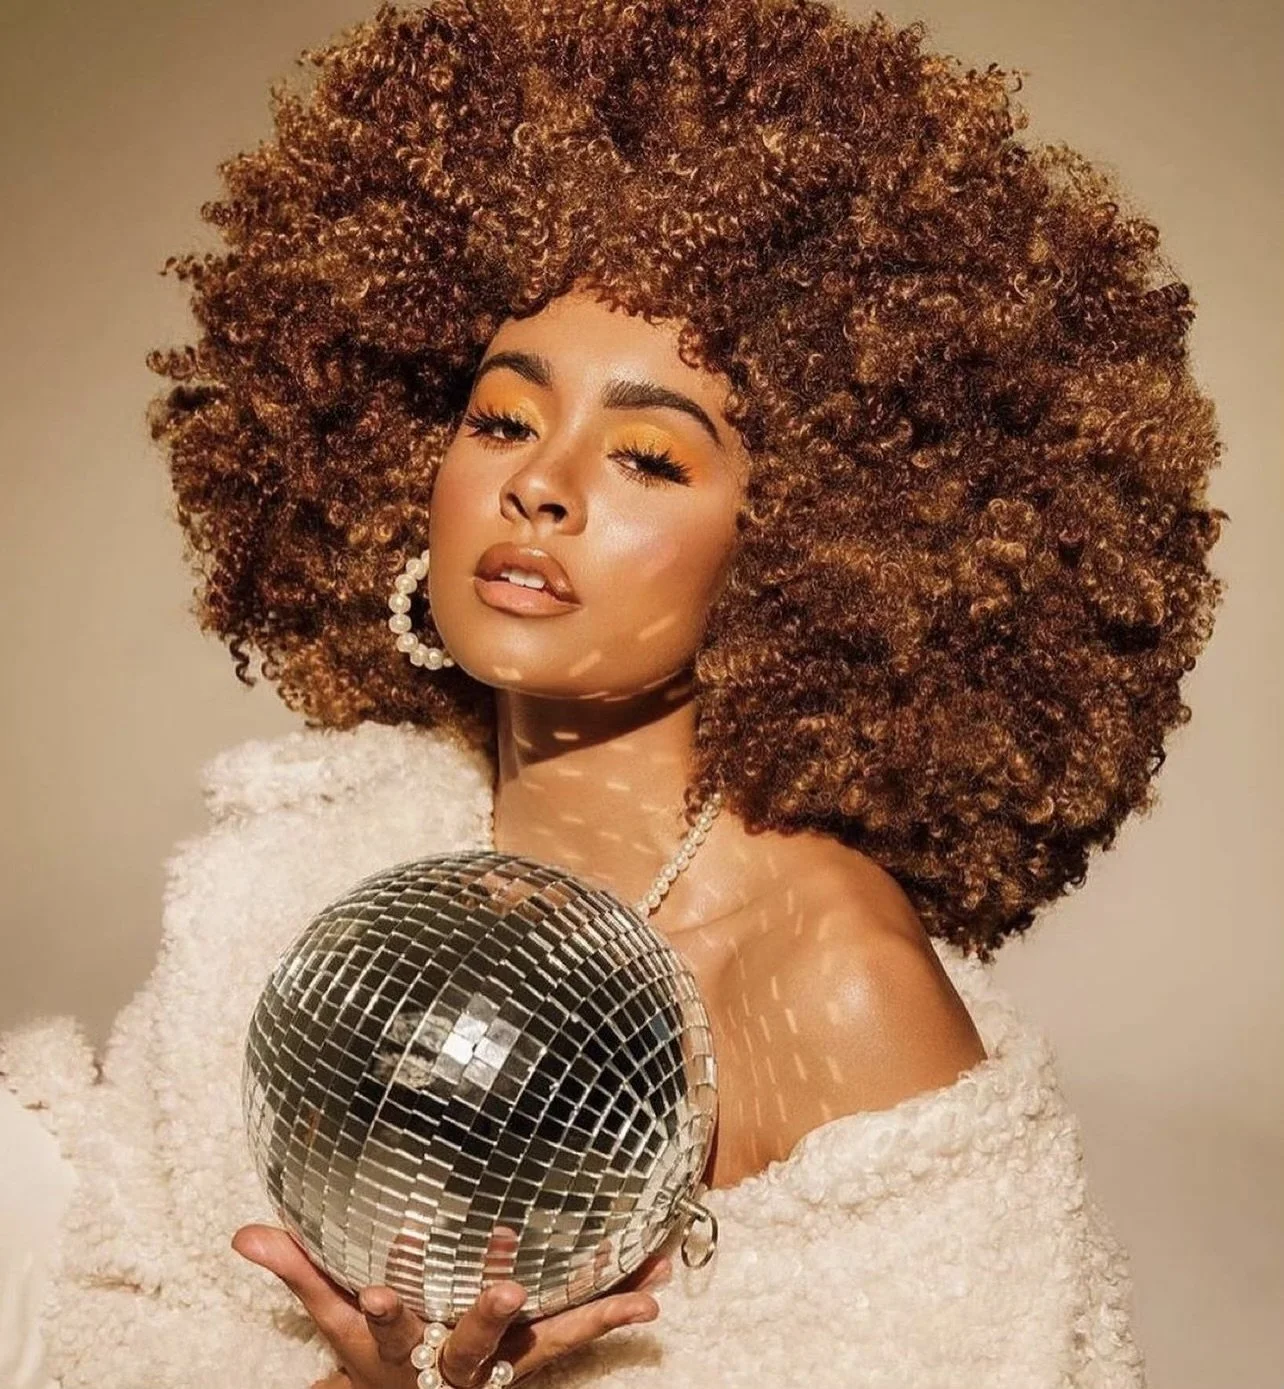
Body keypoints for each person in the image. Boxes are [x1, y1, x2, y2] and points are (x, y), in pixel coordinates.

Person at [0, 0, 1226, 1385]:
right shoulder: (304, 866)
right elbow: (122, 1310)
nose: (540, 483)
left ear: (816, 547)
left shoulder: (828, 985)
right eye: (503, 419)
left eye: (649, 457)